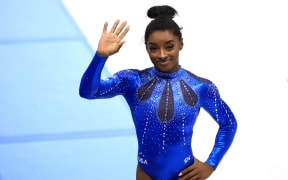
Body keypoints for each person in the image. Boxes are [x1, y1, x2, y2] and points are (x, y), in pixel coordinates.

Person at [79, 5, 237, 180]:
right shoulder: (132, 81)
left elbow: (229, 123)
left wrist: (211, 164)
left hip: (184, 175)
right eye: (153, 48)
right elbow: (88, 92)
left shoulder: (200, 88)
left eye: (169, 47)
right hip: (146, 173)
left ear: (180, 44)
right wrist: (100, 57)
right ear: (146, 47)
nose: (162, 55)